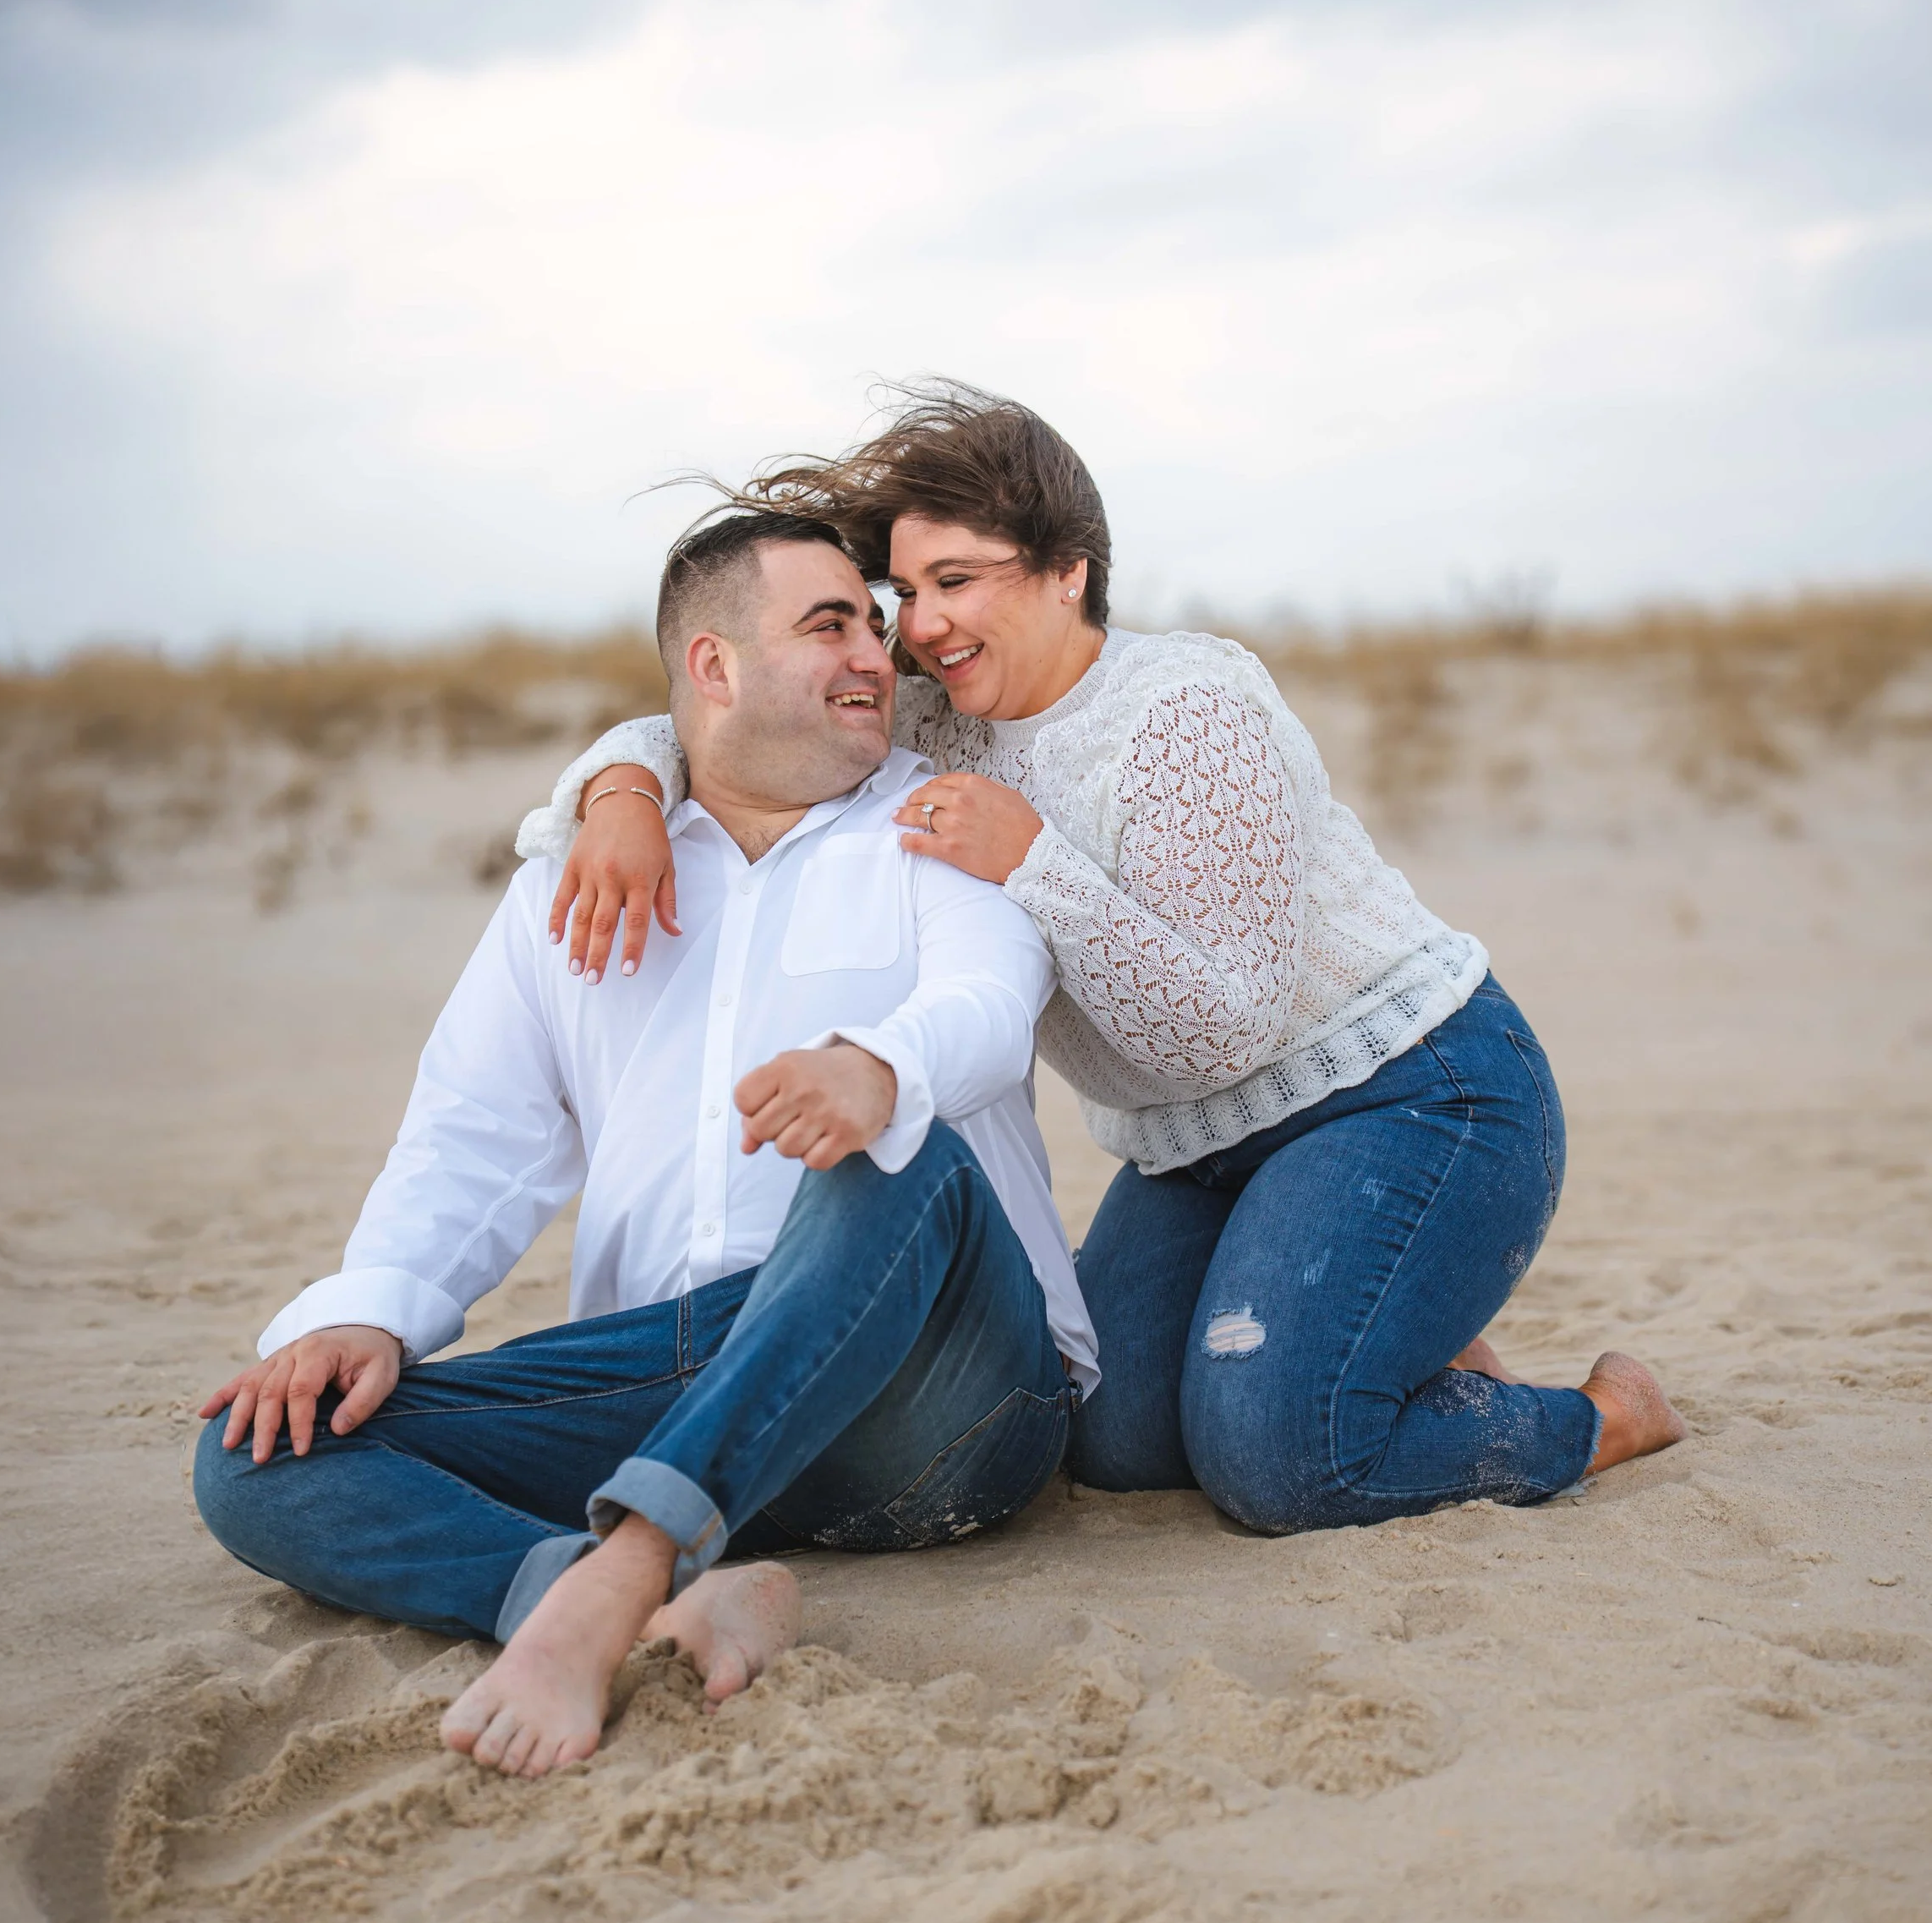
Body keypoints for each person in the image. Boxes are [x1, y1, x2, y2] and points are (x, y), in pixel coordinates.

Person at [534, 384, 1685, 1537]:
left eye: (958, 581)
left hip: (1409, 1093)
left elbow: (1226, 1029)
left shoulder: (1185, 708)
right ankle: (1380, 1321)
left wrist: (1033, 861)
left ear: (1067, 570)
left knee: (1280, 1459)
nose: (920, 627)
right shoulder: (940, 723)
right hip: (1198, 1150)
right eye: (904, 593)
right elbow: (744, 715)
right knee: (1116, 1440)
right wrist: (626, 786)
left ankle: (1599, 1416)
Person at [194, 508, 1093, 1779]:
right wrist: (371, 1313)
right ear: (713, 667)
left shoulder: (940, 827)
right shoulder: (578, 872)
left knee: (901, 1151)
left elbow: (992, 1010)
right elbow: (475, 1126)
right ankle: (608, 1584)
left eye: (875, 627)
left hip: (927, 1393)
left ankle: (628, 1568)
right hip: (674, 1374)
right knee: (262, 1449)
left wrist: (878, 1066)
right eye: (829, 623)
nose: (874, 656)